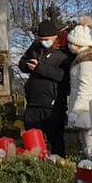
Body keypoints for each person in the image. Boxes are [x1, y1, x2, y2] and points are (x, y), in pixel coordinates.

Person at [17, 20, 70, 156]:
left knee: (56, 140)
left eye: (46, 39)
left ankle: (60, 167)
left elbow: (64, 76)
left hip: (53, 105)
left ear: (55, 37)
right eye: (41, 39)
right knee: (32, 142)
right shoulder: (35, 47)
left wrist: (40, 68)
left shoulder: (64, 53)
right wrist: (26, 65)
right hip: (33, 103)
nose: (43, 42)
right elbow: (21, 63)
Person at [65, 16, 92, 155]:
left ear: (77, 43)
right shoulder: (82, 59)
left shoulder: (88, 60)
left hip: (86, 108)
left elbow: (85, 87)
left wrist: (77, 110)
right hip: (84, 107)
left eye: (70, 43)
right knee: (86, 144)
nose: (69, 46)